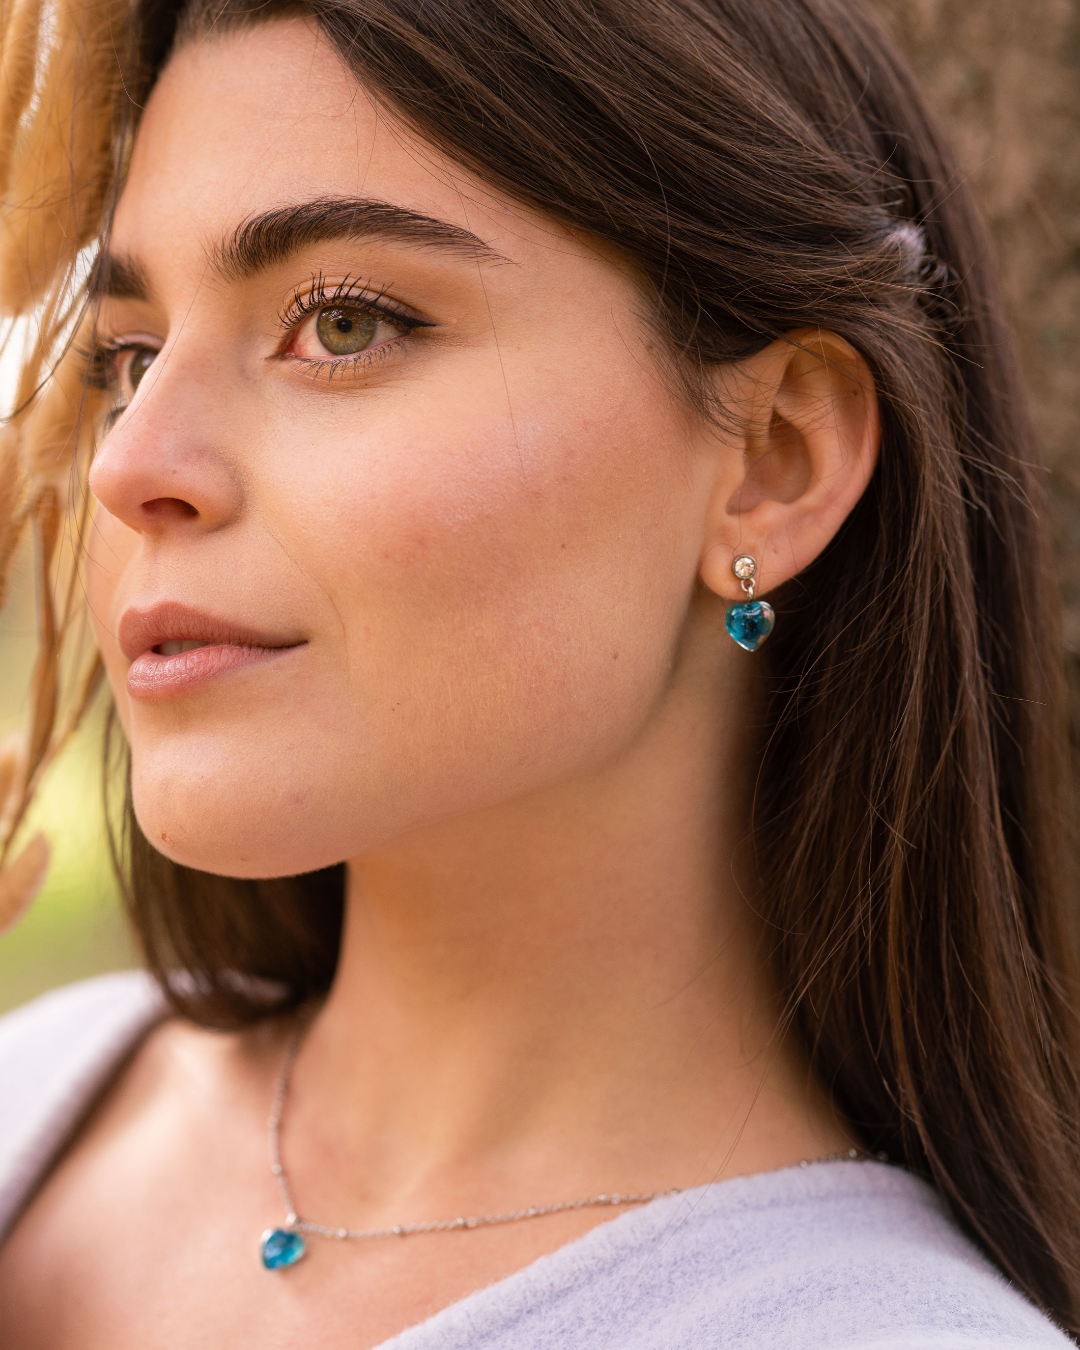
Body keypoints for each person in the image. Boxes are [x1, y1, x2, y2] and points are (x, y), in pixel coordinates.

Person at [0, 0, 1076, 1344]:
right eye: (130, 357)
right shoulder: (36, 1095)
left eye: (342, 324)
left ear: (773, 459)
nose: (129, 463)